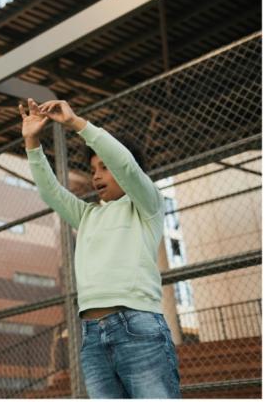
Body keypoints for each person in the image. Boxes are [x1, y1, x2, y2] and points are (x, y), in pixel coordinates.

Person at [19, 98, 180, 398]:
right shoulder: (87, 215)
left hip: (138, 327)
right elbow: (50, 191)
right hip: (92, 335)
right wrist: (32, 142)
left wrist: (76, 124)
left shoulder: (147, 205)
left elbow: (127, 167)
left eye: (104, 167)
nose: (96, 175)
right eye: (93, 168)